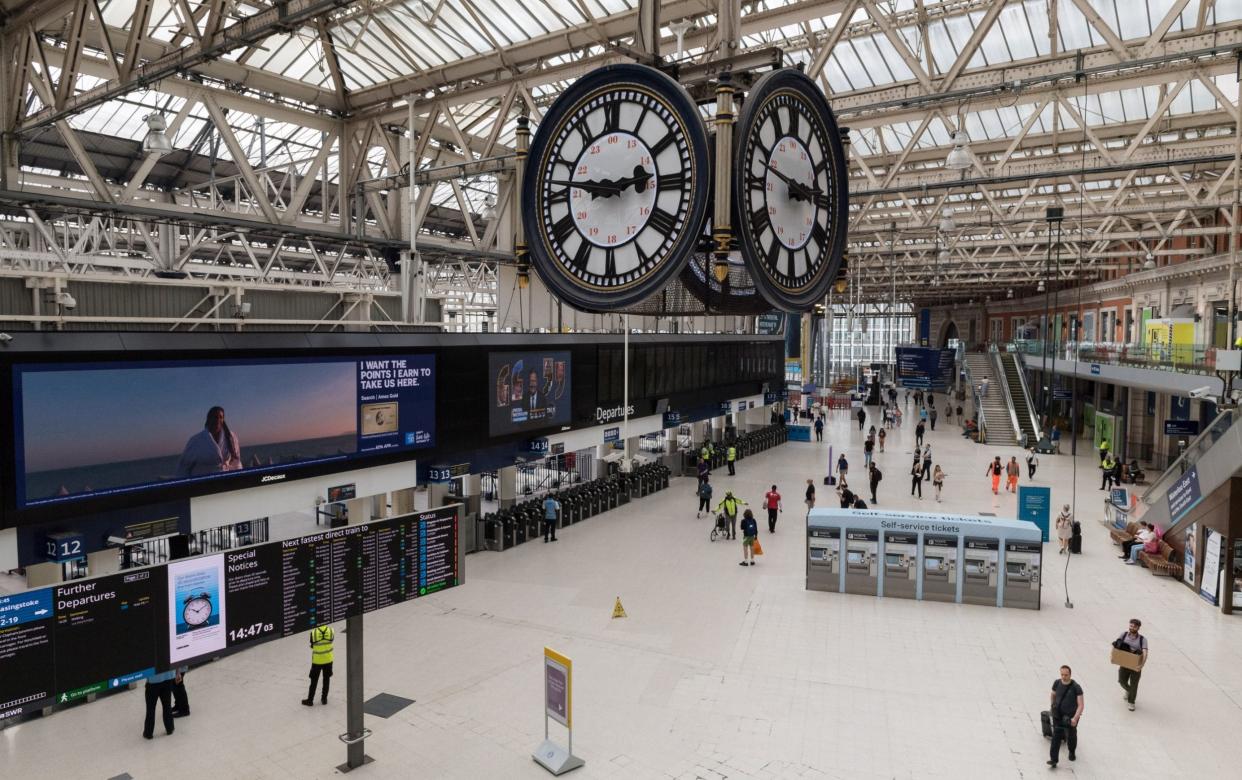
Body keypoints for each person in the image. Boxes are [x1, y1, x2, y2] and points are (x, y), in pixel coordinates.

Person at [176, 406, 242, 477]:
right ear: (208, 419)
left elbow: (236, 461)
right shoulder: (196, 441)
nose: (217, 420)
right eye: (215, 417)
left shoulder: (231, 437)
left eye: (220, 417)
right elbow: (183, 468)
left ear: (223, 420)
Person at [1048, 665, 1084, 767]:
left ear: (1070, 674)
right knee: (1056, 737)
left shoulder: (1076, 687)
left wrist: (1075, 718)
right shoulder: (1057, 683)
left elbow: (1081, 705)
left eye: (1066, 675)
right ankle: (1053, 760)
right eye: (1062, 674)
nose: (1063, 677)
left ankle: (1072, 751)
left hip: (1070, 717)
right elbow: (1053, 694)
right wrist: (1052, 706)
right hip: (1058, 716)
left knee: (1071, 736)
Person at [1115, 619, 1149, 712]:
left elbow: (1145, 653)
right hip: (1125, 663)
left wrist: (1141, 665)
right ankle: (1129, 691)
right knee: (1121, 681)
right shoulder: (1124, 634)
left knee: (1134, 684)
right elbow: (1116, 645)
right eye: (1131, 626)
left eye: (1134, 626)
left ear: (1138, 628)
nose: (1132, 628)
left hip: (1135, 666)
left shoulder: (1142, 639)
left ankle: (1131, 702)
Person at [302, 623, 334, 706]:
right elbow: (330, 641)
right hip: (328, 659)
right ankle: (324, 699)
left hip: (317, 661)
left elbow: (312, 645)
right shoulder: (331, 631)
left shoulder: (314, 633)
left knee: (314, 681)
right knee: (326, 679)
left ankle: (310, 700)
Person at [142, 668, 177, 739]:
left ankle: (148, 733)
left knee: (150, 708)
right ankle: (169, 728)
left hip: (153, 681)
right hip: (168, 677)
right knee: (167, 705)